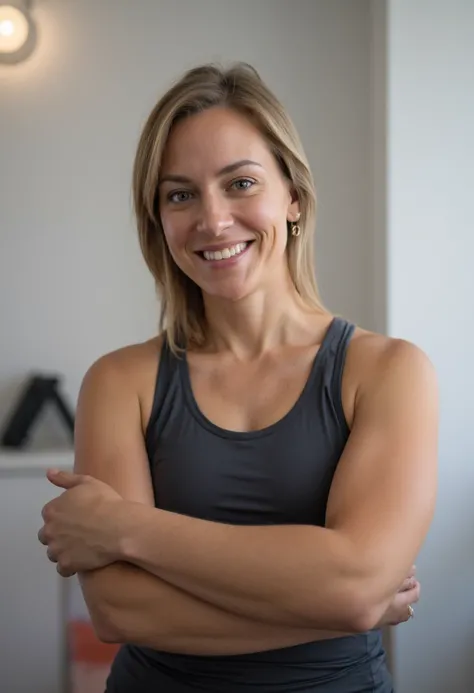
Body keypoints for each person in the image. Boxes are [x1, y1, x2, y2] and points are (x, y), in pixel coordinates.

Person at [37, 63, 438, 692]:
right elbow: (120, 611)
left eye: (241, 183)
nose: (214, 220)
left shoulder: (388, 371)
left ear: (294, 196)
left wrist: (124, 528)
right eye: (180, 194)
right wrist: (335, 604)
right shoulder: (119, 381)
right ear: (158, 221)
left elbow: (357, 586)